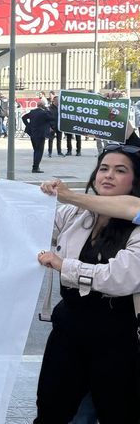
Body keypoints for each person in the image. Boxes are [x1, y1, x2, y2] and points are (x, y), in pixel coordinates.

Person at [34, 144, 140, 423]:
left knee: (118, 413)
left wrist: (63, 265)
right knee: (50, 410)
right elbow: (27, 221)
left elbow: (119, 278)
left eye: (120, 171)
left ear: (135, 180)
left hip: (118, 338)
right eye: (103, 168)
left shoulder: (137, 224)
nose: (108, 176)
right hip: (69, 331)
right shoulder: (77, 214)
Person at [22, 103, 54, 173]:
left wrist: (28, 125)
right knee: (39, 151)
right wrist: (48, 110)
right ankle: (35, 168)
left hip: (33, 133)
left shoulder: (32, 112)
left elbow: (23, 117)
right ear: (43, 106)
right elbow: (52, 118)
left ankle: (36, 167)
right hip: (41, 134)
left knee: (36, 150)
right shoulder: (44, 113)